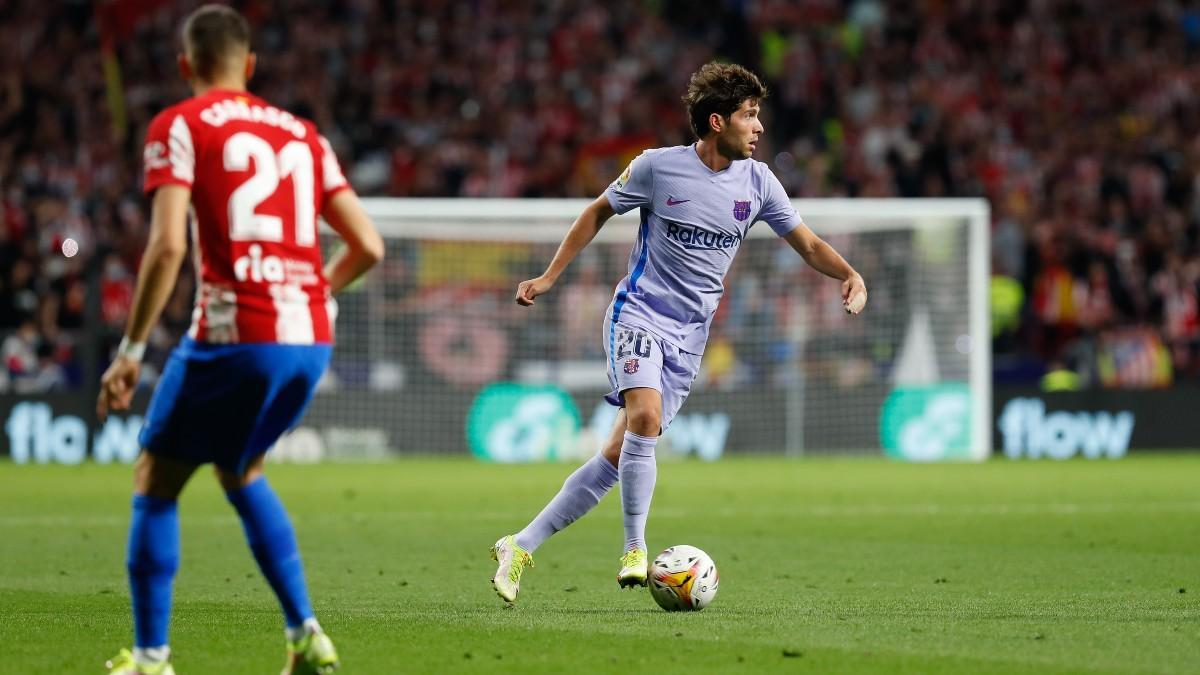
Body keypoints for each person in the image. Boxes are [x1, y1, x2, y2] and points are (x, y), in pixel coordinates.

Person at [490, 62, 866, 603]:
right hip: (638, 313)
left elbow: (808, 245)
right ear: (717, 122)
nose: (759, 127)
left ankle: (520, 545)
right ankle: (634, 549)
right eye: (749, 115)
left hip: (690, 338)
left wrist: (850, 274)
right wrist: (550, 276)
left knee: (616, 458)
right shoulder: (656, 169)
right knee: (645, 415)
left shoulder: (759, 183)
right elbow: (598, 211)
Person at [97, 5, 383, 674]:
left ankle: (150, 657)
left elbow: (168, 245)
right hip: (308, 337)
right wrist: (316, 290)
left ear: (185, 65)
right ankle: (306, 634)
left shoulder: (178, 124)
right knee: (240, 468)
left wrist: (131, 351)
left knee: (156, 477)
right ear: (250, 66)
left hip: (235, 331)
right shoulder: (303, 135)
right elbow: (368, 244)